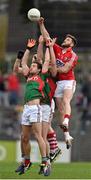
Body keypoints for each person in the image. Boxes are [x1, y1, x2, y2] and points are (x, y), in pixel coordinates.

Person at [38, 17, 78, 149]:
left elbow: (66, 69)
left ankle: (66, 121)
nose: (65, 41)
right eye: (66, 39)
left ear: (71, 44)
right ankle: (67, 136)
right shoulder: (58, 50)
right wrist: (41, 25)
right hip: (60, 83)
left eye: (68, 40)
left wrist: (51, 67)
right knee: (60, 110)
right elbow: (47, 38)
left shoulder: (73, 55)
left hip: (68, 81)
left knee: (66, 101)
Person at [14, 39, 51, 176]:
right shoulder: (28, 76)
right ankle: (27, 161)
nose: (32, 67)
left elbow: (46, 61)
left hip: (36, 108)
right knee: (24, 137)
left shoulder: (42, 75)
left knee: (38, 135)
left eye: (34, 66)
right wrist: (28, 49)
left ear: (40, 69)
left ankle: (45, 162)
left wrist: (48, 46)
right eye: (32, 65)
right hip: (26, 109)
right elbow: (23, 63)